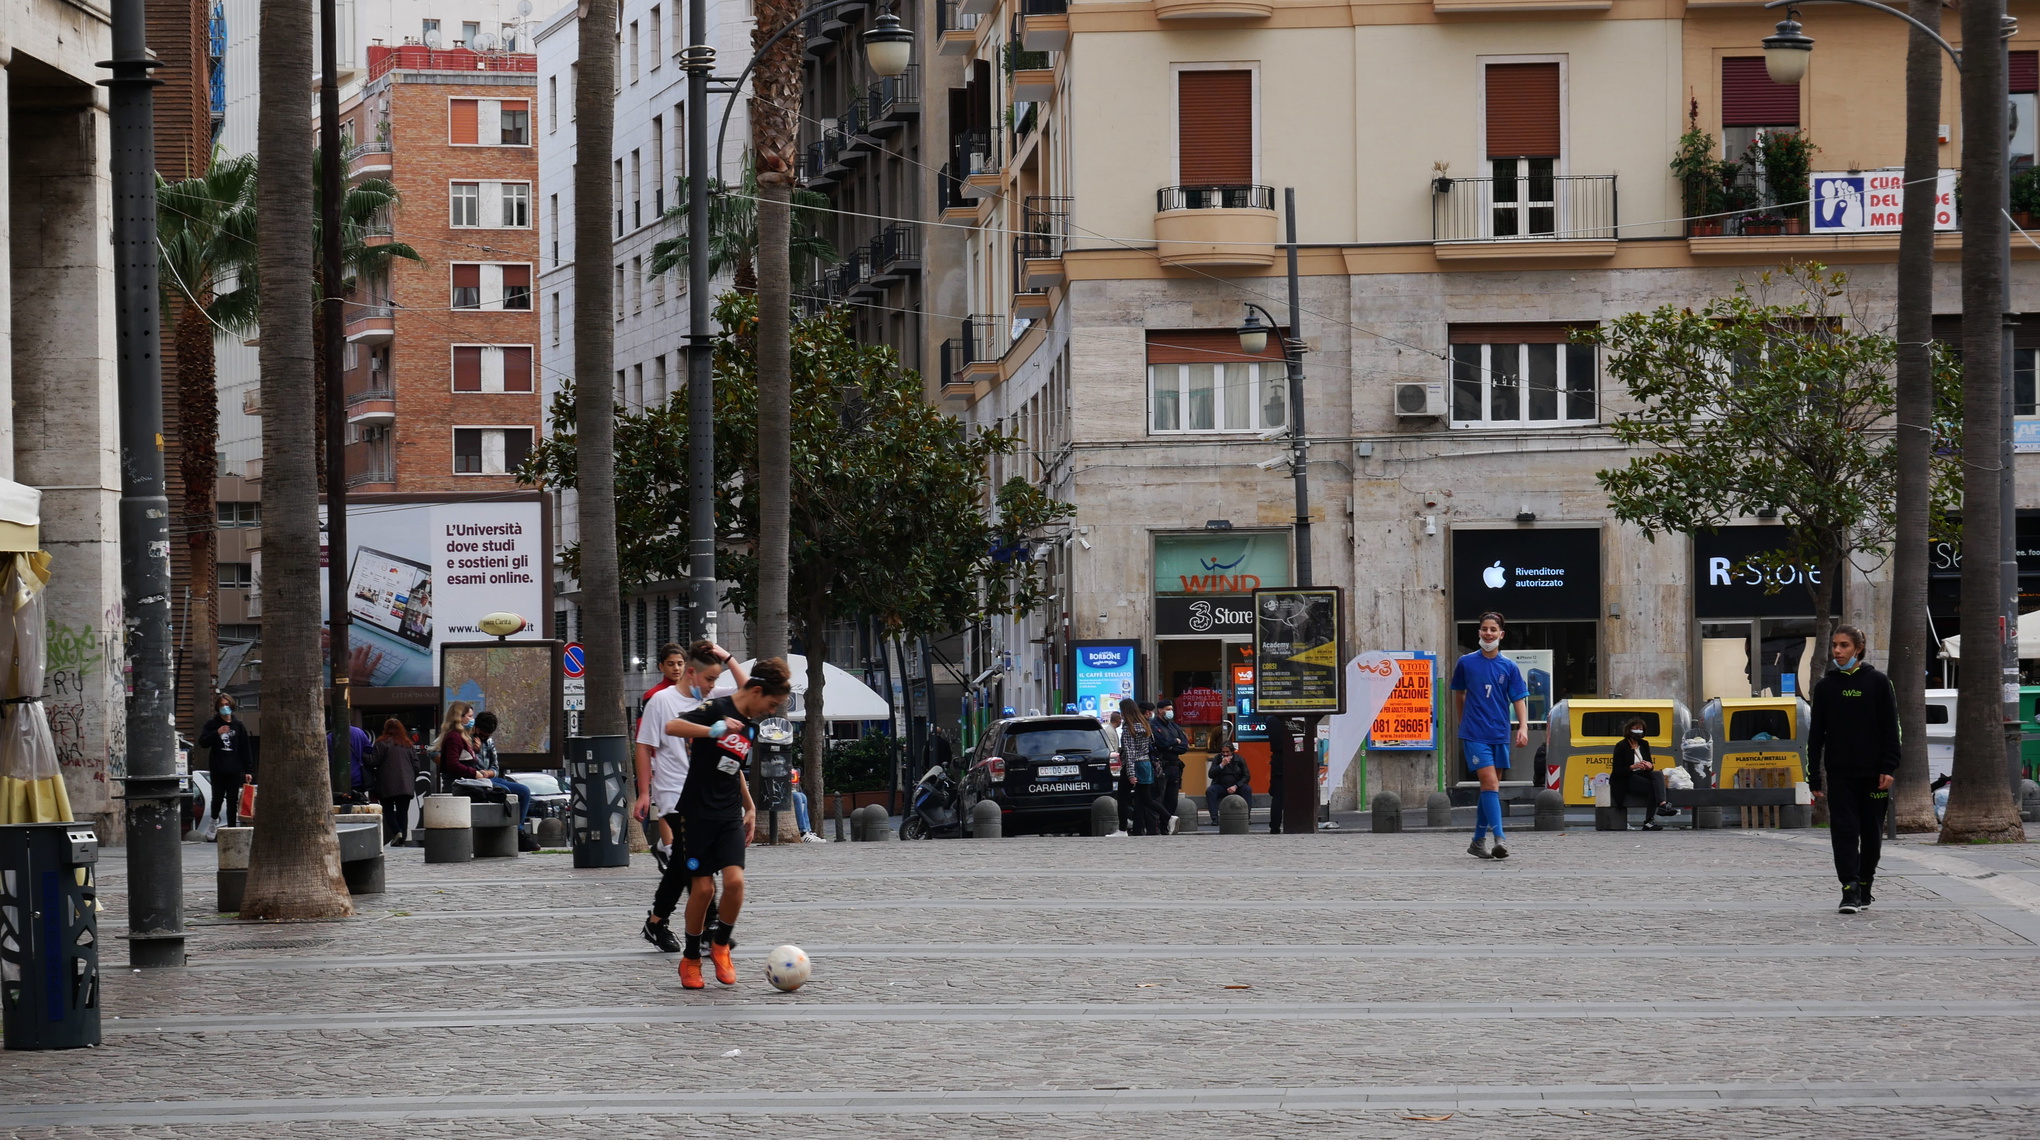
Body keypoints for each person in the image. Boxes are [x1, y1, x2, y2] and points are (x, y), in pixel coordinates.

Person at [667, 657, 795, 989]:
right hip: (695, 814)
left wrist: (749, 807)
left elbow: (732, 765)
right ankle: (691, 958)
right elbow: (673, 727)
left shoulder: (752, 726)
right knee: (704, 888)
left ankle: (721, 945)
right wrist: (712, 729)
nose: (771, 710)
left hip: (728, 815)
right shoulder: (716, 708)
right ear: (755, 690)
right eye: (771, 703)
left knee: (735, 882)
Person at [636, 641, 746, 953]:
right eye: (709, 679)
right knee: (693, 863)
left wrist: (727, 655)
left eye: (715, 680)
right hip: (673, 793)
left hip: (705, 793)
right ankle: (709, 924)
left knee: (685, 864)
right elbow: (644, 746)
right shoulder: (661, 701)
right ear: (693, 673)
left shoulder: (711, 697)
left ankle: (656, 922)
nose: (713, 685)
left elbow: (747, 687)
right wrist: (644, 793)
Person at [1808, 623, 1900, 915]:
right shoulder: (1825, 687)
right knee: (1844, 831)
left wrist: (1889, 766)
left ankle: (1865, 883)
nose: (1837, 650)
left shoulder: (1879, 682)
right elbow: (1816, 735)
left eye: (1844, 645)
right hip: (1841, 775)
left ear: (1858, 648)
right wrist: (1814, 775)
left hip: (1874, 776)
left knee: (1871, 833)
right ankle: (1849, 888)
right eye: (1834, 645)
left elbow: (1891, 728)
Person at [1451, 611, 1528, 860]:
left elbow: (1518, 698)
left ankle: (1476, 841)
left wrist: (1523, 727)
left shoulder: (1509, 667)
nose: (1488, 633)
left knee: (1489, 788)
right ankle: (1500, 838)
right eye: (1484, 628)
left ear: (1501, 634)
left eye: (1493, 629)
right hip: (1474, 733)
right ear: (1479, 632)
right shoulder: (1465, 662)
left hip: (1499, 733)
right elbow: (1459, 693)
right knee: (1491, 784)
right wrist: (1463, 722)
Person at [471, 710, 533, 839]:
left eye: (487, 736)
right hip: (476, 780)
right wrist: (473, 751)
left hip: (490, 778)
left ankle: (518, 830)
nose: (484, 738)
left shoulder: (489, 742)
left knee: (524, 791)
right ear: (476, 728)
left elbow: (496, 767)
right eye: (482, 735)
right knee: (504, 790)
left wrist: (488, 773)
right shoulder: (467, 741)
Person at [1608, 716, 1676, 831]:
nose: (1638, 731)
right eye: (1636, 729)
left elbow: (1649, 763)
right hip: (1626, 777)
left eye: (1641, 729)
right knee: (1652, 787)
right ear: (1629, 730)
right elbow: (1617, 771)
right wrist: (1632, 767)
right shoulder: (1622, 746)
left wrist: (1649, 766)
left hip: (1642, 774)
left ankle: (1662, 805)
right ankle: (1650, 820)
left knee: (1657, 774)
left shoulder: (1644, 744)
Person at [198, 693, 252, 834]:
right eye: (222, 705)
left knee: (232, 799)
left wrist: (248, 770)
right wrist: (217, 733)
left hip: (234, 768)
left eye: (227, 704)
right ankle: (214, 819)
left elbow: (245, 748)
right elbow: (202, 742)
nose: (224, 707)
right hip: (218, 767)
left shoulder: (238, 726)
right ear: (218, 707)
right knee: (217, 797)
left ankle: (232, 827)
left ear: (231, 705)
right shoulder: (212, 724)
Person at [366, 719, 420, 846]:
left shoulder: (382, 743)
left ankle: (397, 831)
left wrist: (362, 755)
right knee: (403, 811)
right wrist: (410, 778)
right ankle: (402, 839)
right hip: (406, 785)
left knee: (388, 809)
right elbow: (417, 766)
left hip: (387, 784)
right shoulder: (408, 745)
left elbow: (373, 761)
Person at [1119, 699, 1163, 837]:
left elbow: (1130, 752)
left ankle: (1122, 830)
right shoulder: (1145, 725)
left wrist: (1130, 773)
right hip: (1145, 764)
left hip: (1134, 765)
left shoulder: (1128, 728)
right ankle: (1168, 817)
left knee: (1122, 798)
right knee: (1145, 799)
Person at [1151, 697, 1190, 834]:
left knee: (1172, 800)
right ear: (1160, 710)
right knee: (1159, 797)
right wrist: (1174, 742)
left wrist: (1172, 746)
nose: (1170, 712)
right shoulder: (1154, 725)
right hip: (1162, 766)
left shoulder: (1174, 726)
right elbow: (1161, 743)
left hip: (1175, 766)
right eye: (1168, 709)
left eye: (1171, 709)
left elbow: (1184, 745)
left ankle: (1167, 825)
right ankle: (1158, 827)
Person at [436, 702, 481, 791]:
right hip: (458, 788)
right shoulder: (454, 737)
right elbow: (452, 764)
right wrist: (474, 773)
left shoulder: (461, 736)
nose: (472, 719)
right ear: (460, 717)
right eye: (470, 716)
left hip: (464, 786)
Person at [1205, 741, 1251, 822]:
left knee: (1247, 789)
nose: (1225, 754)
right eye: (1223, 752)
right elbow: (1211, 774)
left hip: (1236, 786)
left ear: (1232, 752)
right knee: (1210, 791)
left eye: (1227, 752)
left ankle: (1246, 817)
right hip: (1221, 785)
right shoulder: (1217, 759)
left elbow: (1246, 776)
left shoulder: (1239, 759)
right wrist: (1221, 765)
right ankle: (1214, 818)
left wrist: (1236, 786)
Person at [327, 721, 373, 798]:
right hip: (359, 777)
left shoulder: (330, 738)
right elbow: (368, 749)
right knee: (358, 802)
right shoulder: (359, 732)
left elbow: (330, 759)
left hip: (339, 780)